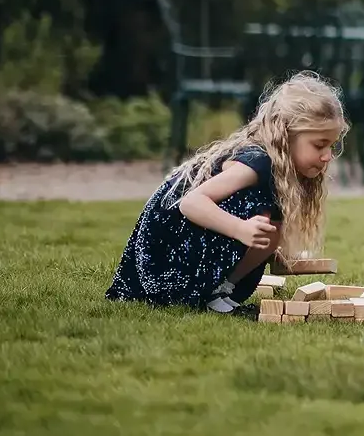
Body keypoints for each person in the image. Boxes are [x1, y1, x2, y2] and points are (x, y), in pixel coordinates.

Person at [106, 71, 347, 313]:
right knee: (262, 216)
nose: (327, 156)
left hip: (190, 231)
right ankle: (210, 292)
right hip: (165, 245)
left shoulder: (282, 170)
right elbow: (190, 203)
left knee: (271, 224)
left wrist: (271, 247)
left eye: (332, 145)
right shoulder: (257, 163)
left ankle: (222, 291)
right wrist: (241, 229)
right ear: (286, 136)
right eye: (319, 145)